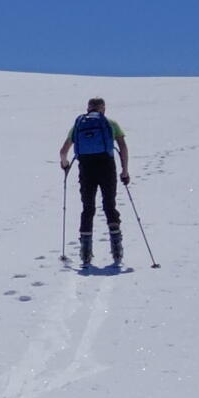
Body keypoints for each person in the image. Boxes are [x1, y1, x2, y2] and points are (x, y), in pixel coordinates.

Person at [59, 98, 129, 270]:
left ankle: (85, 252)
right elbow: (123, 147)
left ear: (88, 108)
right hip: (107, 167)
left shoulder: (78, 124)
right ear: (103, 108)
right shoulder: (111, 123)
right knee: (109, 205)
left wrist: (65, 164)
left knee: (88, 208)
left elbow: (63, 151)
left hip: (86, 168)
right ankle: (117, 249)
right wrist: (125, 171)